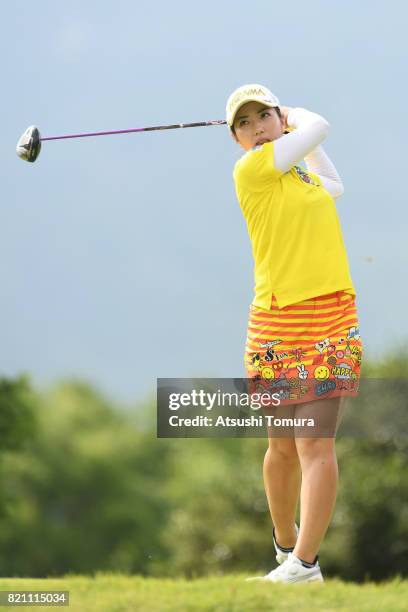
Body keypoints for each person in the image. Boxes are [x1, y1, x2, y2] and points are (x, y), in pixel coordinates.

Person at [226, 84, 363, 584]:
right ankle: (285, 545)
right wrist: (295, 117)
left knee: (315, 446)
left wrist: (291, 125)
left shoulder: (302, 175)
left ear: (279, 122)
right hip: (274, 324)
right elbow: (320, 125)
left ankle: (305, 565)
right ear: (237, 140)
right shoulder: (253, 170)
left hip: (330, 320)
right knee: (282, 446)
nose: (257, 126)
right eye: (245, 122)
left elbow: (336, 185)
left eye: (264, 115)